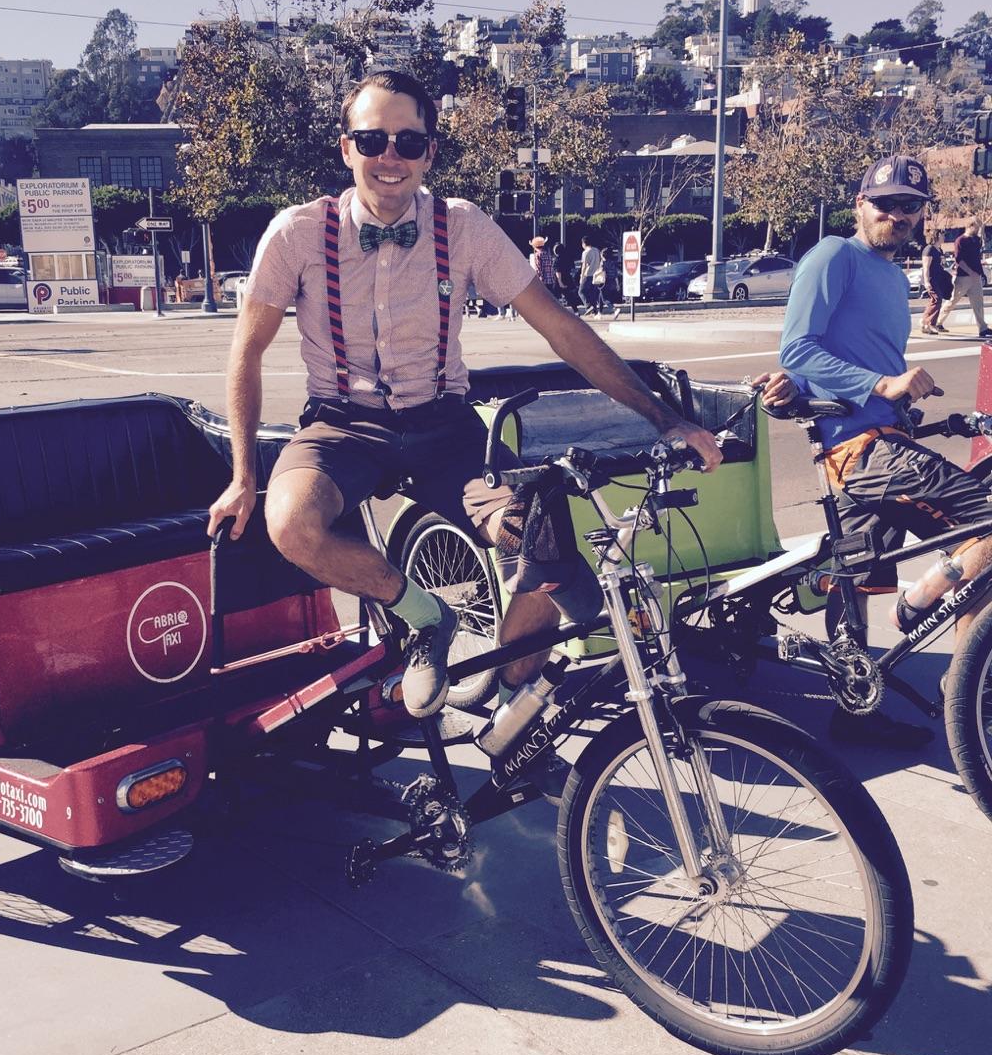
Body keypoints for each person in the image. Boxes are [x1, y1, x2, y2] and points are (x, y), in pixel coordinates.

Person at [207, 69, 720, 736]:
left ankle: (507, 701)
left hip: (445, 426)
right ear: (346, 150)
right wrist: (244, 477)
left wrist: (667, 417)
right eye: (372, 140)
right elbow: (245, 352)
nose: (390, 157)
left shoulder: (465, 228)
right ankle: (425, 617)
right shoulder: (297, 234)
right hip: (341, 426)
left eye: (408, 142)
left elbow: (560, 327)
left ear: (430, 153)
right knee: (290, 523)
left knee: (536, 545)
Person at [764, 154, 992, 748]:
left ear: (922, 215)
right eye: (884, 203)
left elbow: (858, 356)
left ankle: (863, 714)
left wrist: (903, 400)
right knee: (987, 529)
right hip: (859, 450)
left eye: (909, 206)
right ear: (860, 204)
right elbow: (798, 352)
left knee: (852, 579)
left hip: (886, 438)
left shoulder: (894, 278)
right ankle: (929, 621)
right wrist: (880, 385)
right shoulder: (834, 256)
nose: (896, 215)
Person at [937, 222, 989, 337]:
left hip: (976, 277)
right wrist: (971, 273)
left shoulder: (976, 240)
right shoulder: (960, 241)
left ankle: (983, 328)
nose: (978, 229)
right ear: (970, 226)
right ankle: (938, 322)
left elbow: (980, 246)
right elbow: (959, 260)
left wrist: (978, 274)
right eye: (977, 227)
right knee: (952, 301)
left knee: (978, 303)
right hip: (963, 277)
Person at [918, 231, 951, 336]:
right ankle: (930, 323)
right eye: (942, 235)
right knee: (937, 299)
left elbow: (941, 264)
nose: (944, 236)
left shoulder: (939, 250)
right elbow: (926, 267)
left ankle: (924, 322)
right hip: (931, 279)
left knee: (934, 300)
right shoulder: (929, 249)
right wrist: (927, 281)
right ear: (936, 236)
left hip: (939, 279)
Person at [577, 235, 603, 315]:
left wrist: (581, 276)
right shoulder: (596, 250)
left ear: (584, 243)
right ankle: (594, 311)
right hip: (596, 274)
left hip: (588, 274)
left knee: (581, 291)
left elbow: (584, 265)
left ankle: (588, 306)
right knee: (592, 294)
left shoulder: (585, 252)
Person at [529, 235, 560, 300]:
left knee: (541, 299)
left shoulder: (537, 255)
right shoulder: (548, 254)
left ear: (535, 246)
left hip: (543, 281)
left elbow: (538, 269)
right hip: (551, 280)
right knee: (550, 298)